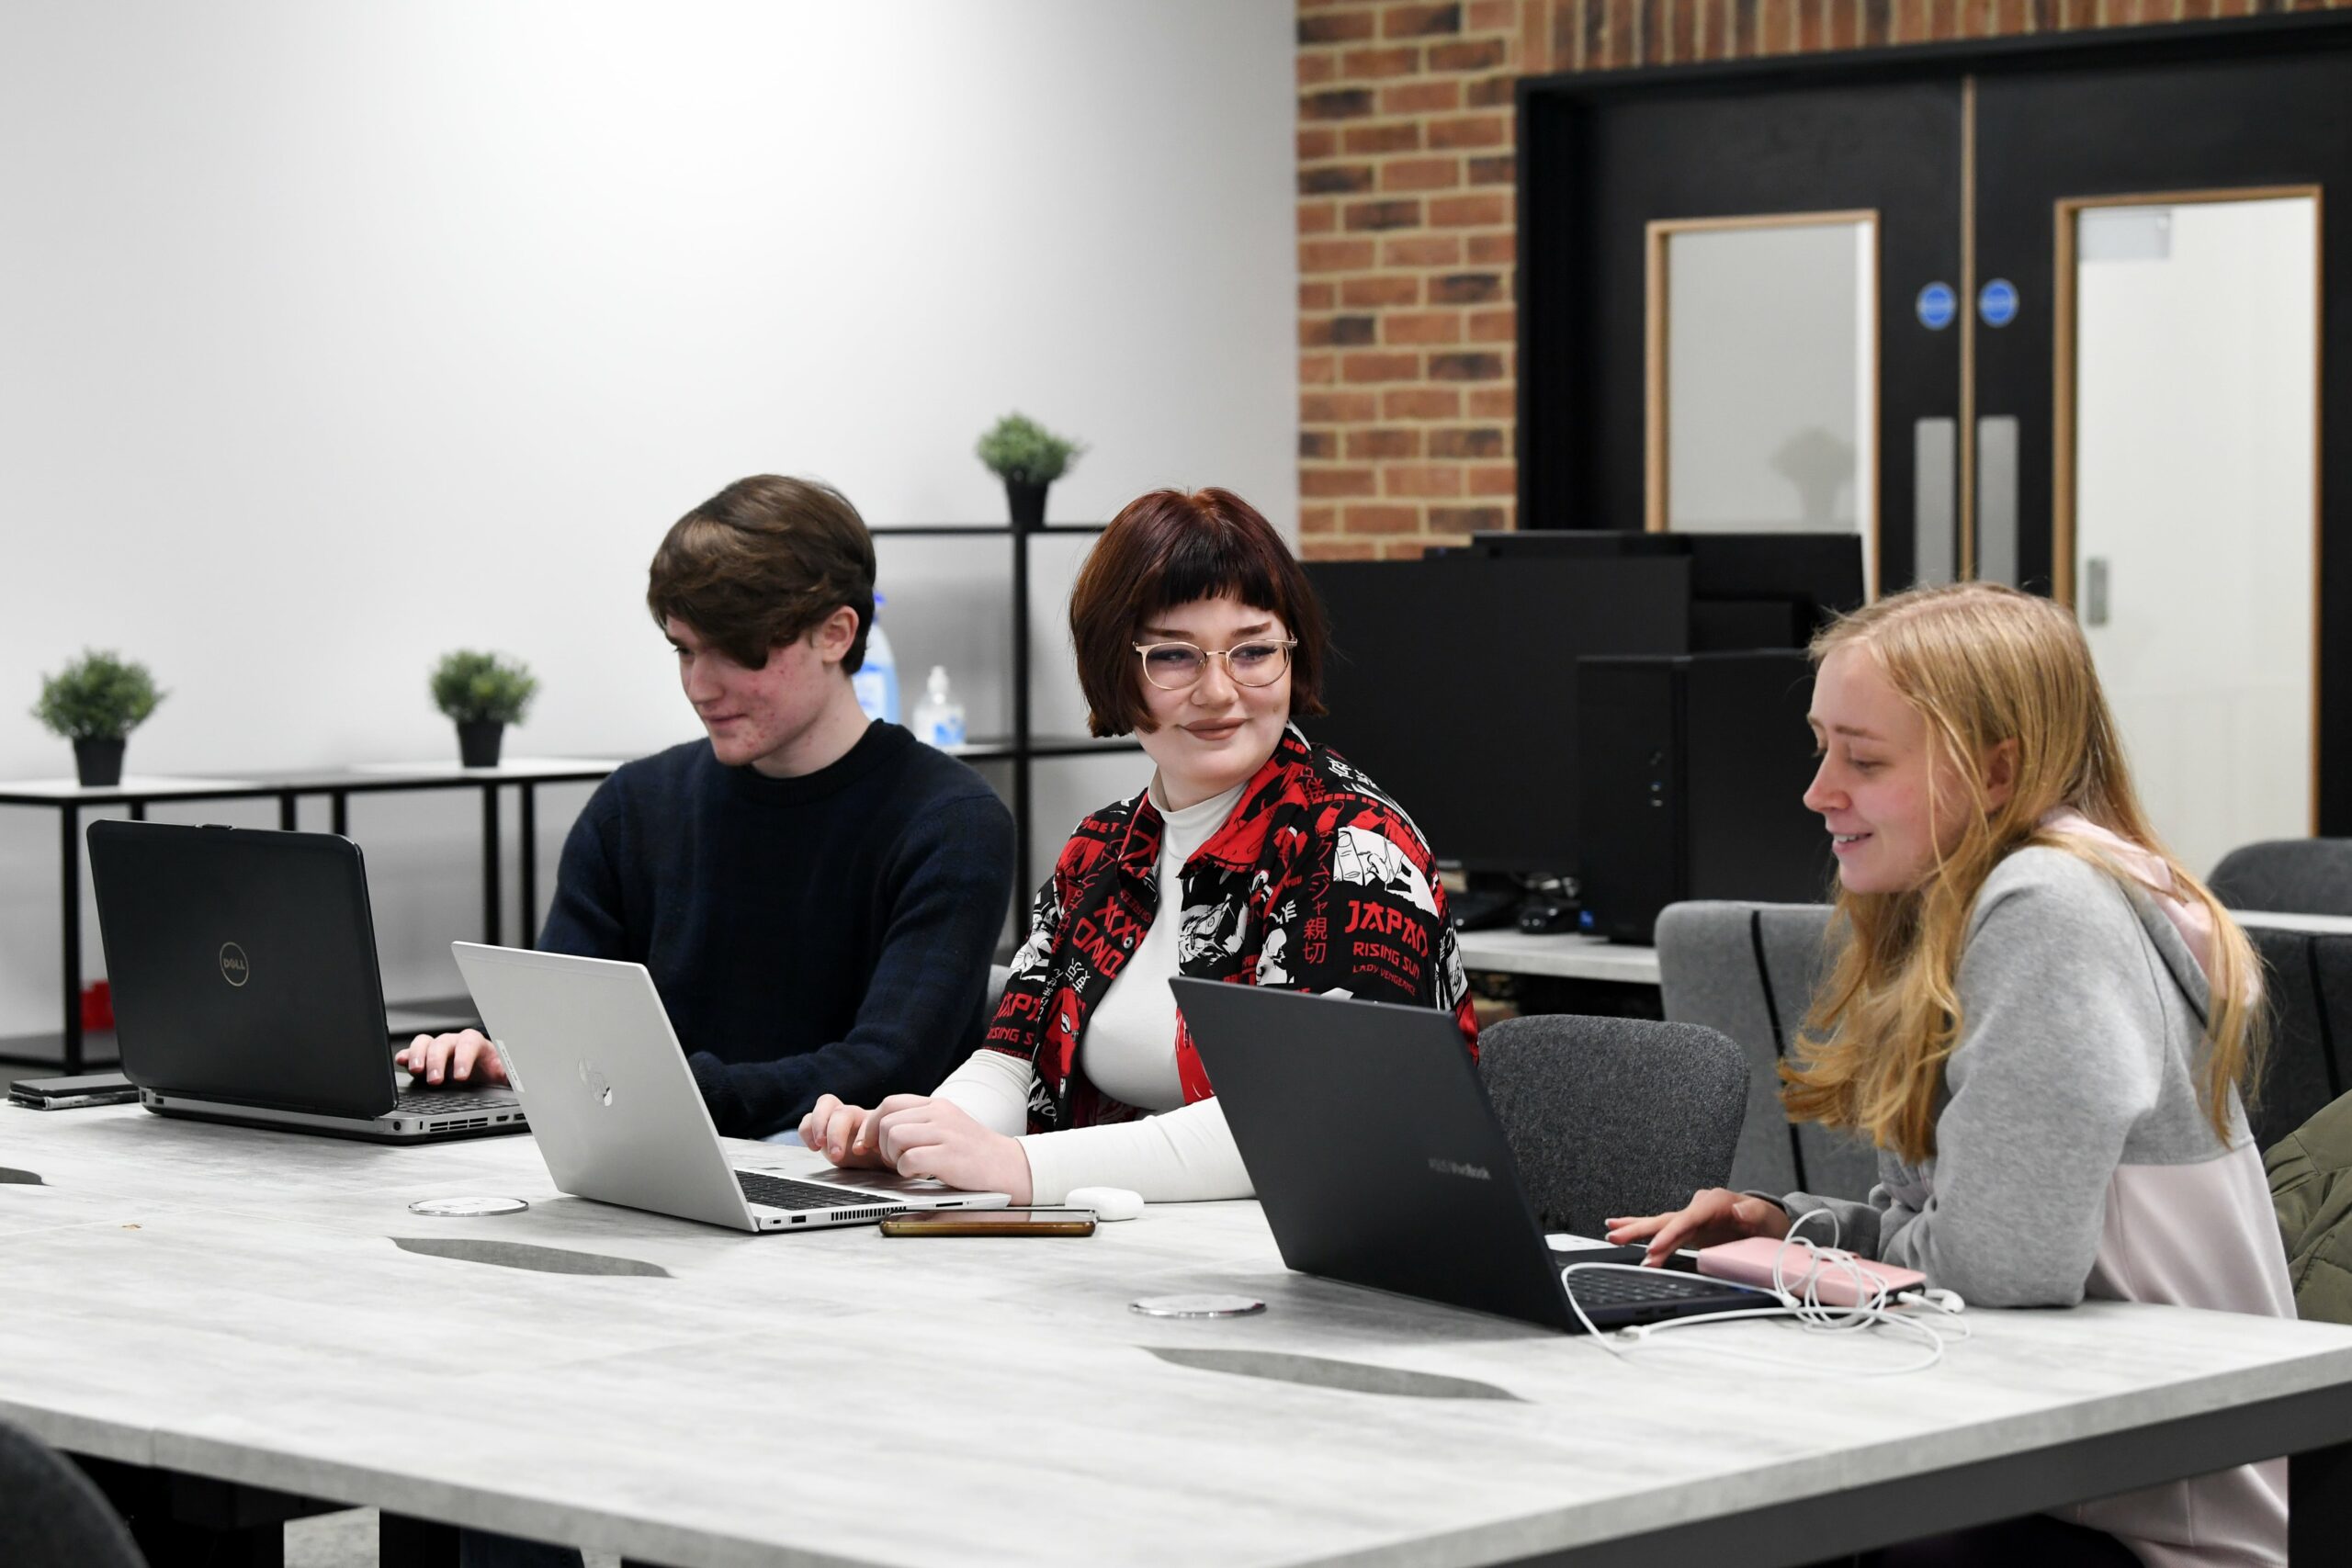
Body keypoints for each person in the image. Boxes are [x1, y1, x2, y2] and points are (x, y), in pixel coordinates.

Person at [1608, 581, 2290, 1568]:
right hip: (2064, 1463)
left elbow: (2002, 1269)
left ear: (1998, 769)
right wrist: (1795, 1224)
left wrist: (1802, 1267)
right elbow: (1980, 1238)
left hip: (2149, 1527)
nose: (1817, 791)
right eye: (1821, 746)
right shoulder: (1970, 898)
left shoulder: (2049, 905)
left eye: (1865, 759)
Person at [798, 486, 1477, 1203]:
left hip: (1363, 1273)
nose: (1220, 691)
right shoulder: (1098, 849)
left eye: (1253, 650)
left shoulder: (1353, 847)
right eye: (1175, 656)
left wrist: (1021, 1168)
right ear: (1116, 668)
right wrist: (919, 1134)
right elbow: (1012, 1061)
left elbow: (1300, 1128)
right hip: (1152, 1256)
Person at [397, 475, 1015, 1139]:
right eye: (685, 649)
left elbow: (886, 1066)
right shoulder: (630, 809)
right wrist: (499, 1057)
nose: (699, 685)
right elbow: (558, 1032)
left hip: (834, 1189)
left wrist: (657, 1091)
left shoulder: (951, 823)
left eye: (736, 651)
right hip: (637, 1162)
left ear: (836, 633)